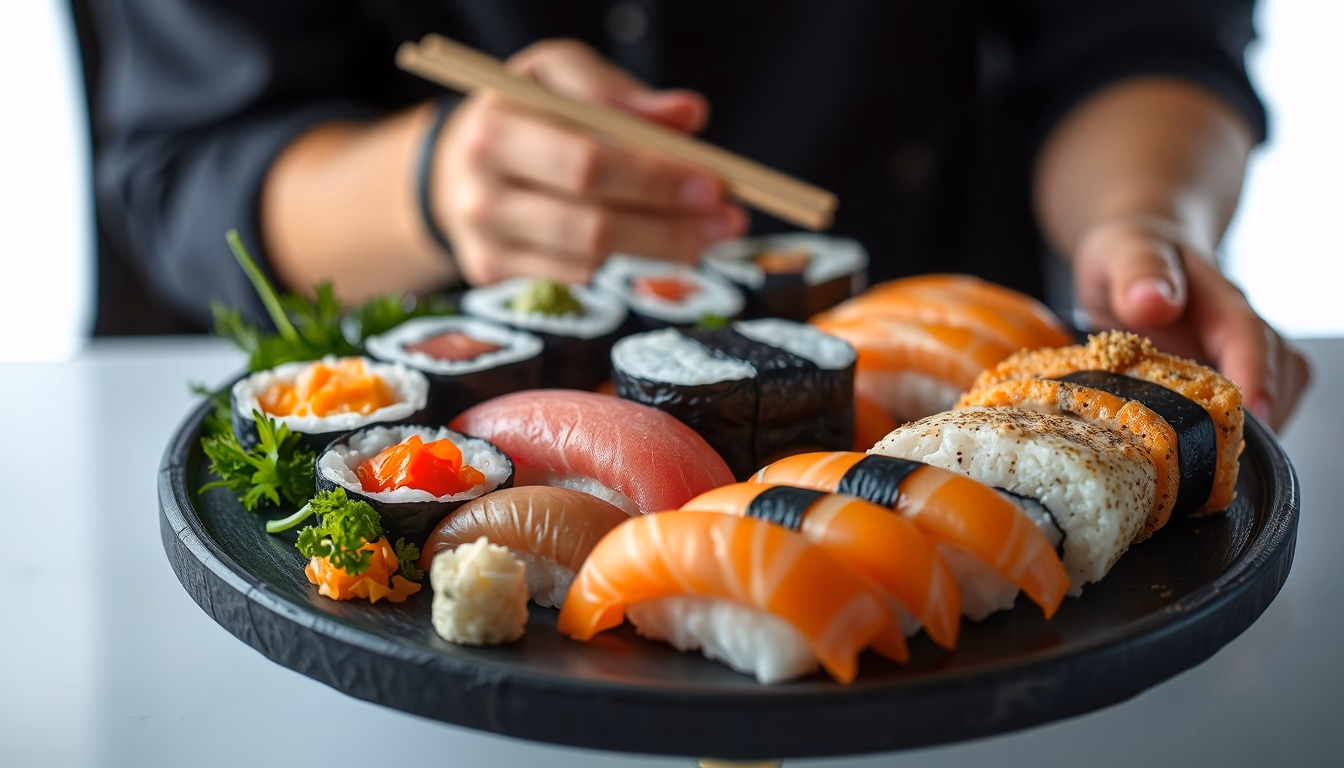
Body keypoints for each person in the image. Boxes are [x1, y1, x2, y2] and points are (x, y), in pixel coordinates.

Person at [84, 1, 1308, 428]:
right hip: (436, 419)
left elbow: (1140, 33)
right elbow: (183, 165)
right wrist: (437, 185)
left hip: (928, 395)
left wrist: (1142, 220)